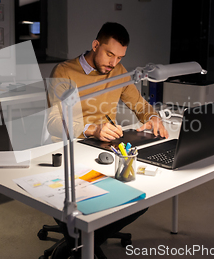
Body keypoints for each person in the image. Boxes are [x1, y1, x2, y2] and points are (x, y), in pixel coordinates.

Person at [47, 22, 168, 258]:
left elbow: (139, 105)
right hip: (73, 146)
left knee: (141, 197)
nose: (113, 63)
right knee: (86, 198)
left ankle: (81, 243)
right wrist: (92, 129)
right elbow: (53, 121)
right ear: (95, 45)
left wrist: (153, 117)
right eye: (109, 54)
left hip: (105, 147)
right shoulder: (64, 71)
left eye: (120, 57)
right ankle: (83, 244)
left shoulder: (119, 71)